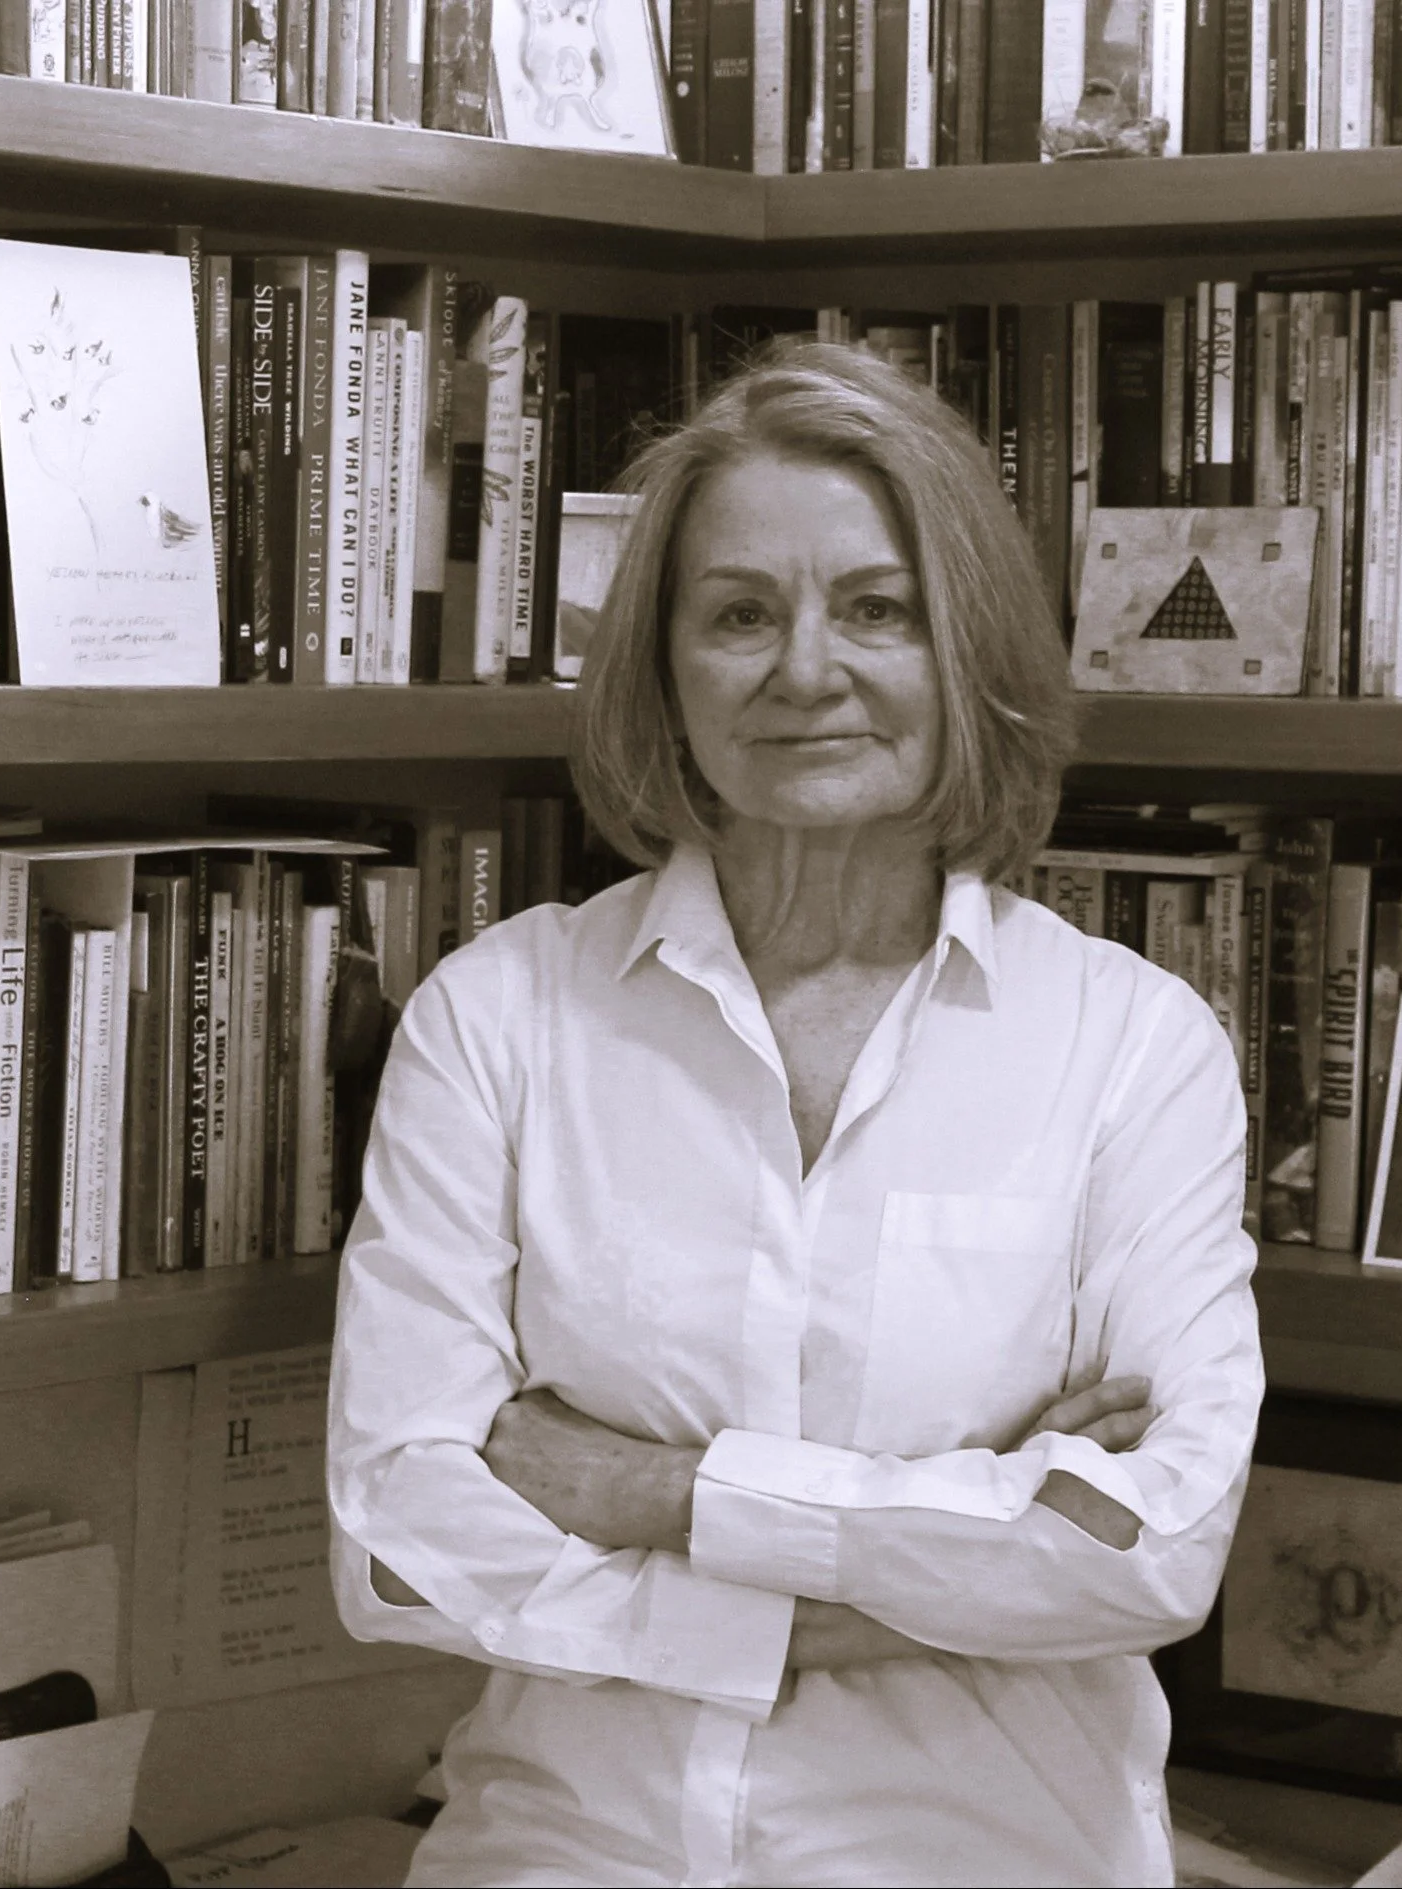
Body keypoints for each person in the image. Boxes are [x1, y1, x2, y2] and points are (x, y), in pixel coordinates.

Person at [327, 342, 1263, 1887]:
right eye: (739, 614)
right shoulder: (497, 1018)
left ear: (965, 650)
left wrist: (660, 1493)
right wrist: (940, 1560)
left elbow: (1148, 1548)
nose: (805, 669)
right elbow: (396, 1541)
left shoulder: (1127, 1047)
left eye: (877, 609)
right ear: (663, 667)